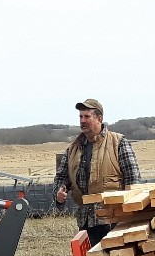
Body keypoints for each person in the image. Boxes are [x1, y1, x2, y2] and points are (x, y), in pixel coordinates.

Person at [53, 98, 141, 245]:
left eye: (87, 116)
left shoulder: (118, 142)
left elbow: (134, 181)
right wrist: (59, 193)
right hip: (86, 223)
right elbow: (61, 178)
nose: (82, 120)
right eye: (80, 117)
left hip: (115, 222)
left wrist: (131, 216)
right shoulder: (73, 149)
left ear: (99, 118)